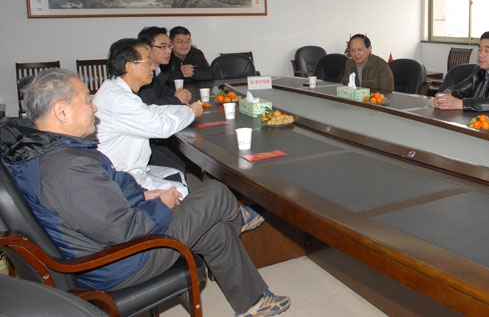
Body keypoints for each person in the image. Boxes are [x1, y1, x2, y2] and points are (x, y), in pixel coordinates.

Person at [0, 69, 290, 315]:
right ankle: (239, 219)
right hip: (123, 260)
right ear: (62, 111)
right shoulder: (65, 169)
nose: (94, 108)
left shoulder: (46, 149)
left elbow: (103, 197)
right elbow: (123, 230)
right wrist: (162, 204)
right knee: (215, 192)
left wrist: (144, 196)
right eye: (87, 100)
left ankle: (253, 301)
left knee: (214, 229)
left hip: (113, 242)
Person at [93, 38, 204, 197]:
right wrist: (190, 113)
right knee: (179, 191)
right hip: (121, 178)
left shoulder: (115, 89)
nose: (152, 67)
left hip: (124, 169)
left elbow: (149, 110)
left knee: (175, 173)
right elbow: (162, 128)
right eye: (147, 62)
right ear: (129, 66)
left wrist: (182, 109)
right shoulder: (120, 100)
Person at [137, 26, 192, 106]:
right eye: (162, 47)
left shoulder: (158, 70)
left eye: (169, 46)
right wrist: (177, 99)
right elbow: (147, 104)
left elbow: (164, 92)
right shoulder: (141, 74)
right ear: (147, 49)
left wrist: (182, 94)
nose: (168, 51)